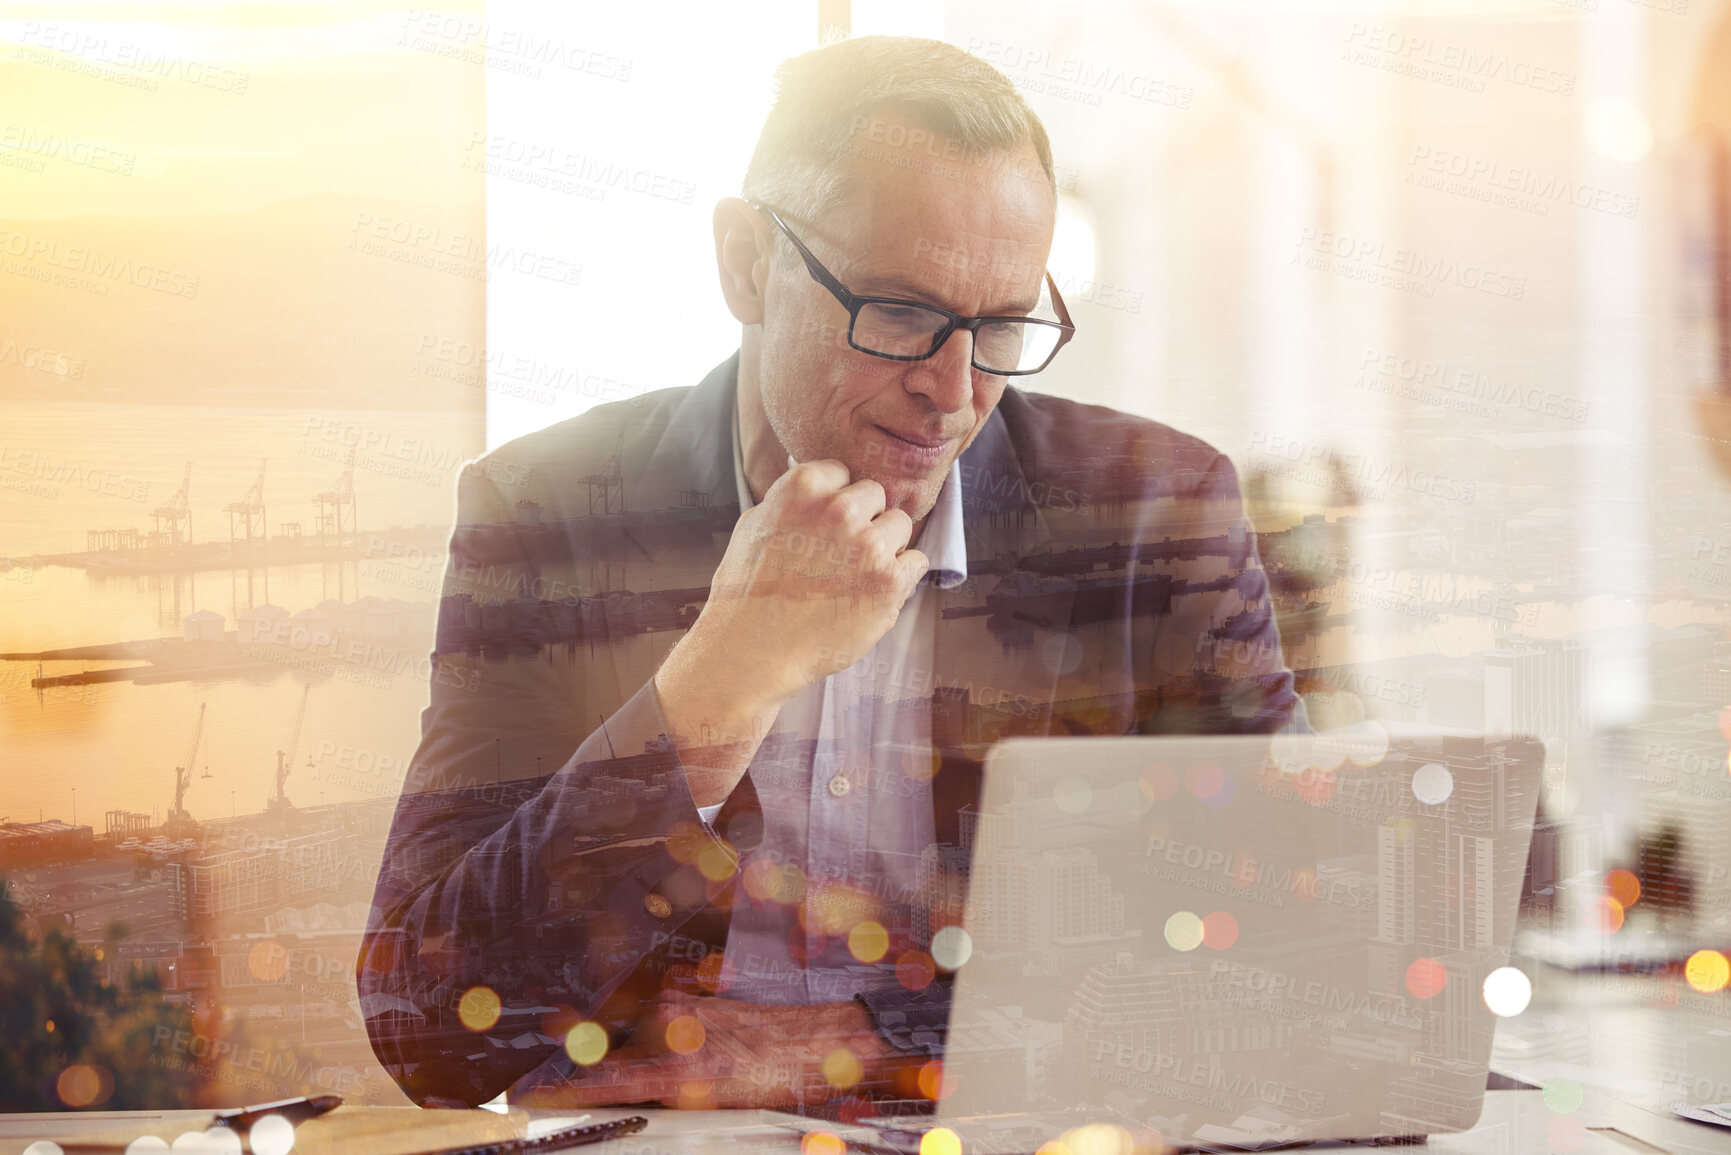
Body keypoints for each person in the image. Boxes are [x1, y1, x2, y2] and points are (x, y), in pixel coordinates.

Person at [358, 35, 1303, 1112]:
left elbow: (1280, 959)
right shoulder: (551, 512)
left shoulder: (1154, 513)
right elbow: (427, 1027)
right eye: (901, 313)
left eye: (1000, 326)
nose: (953, 391)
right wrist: (722, 682)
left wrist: (856, 1043)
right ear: (747, 264)